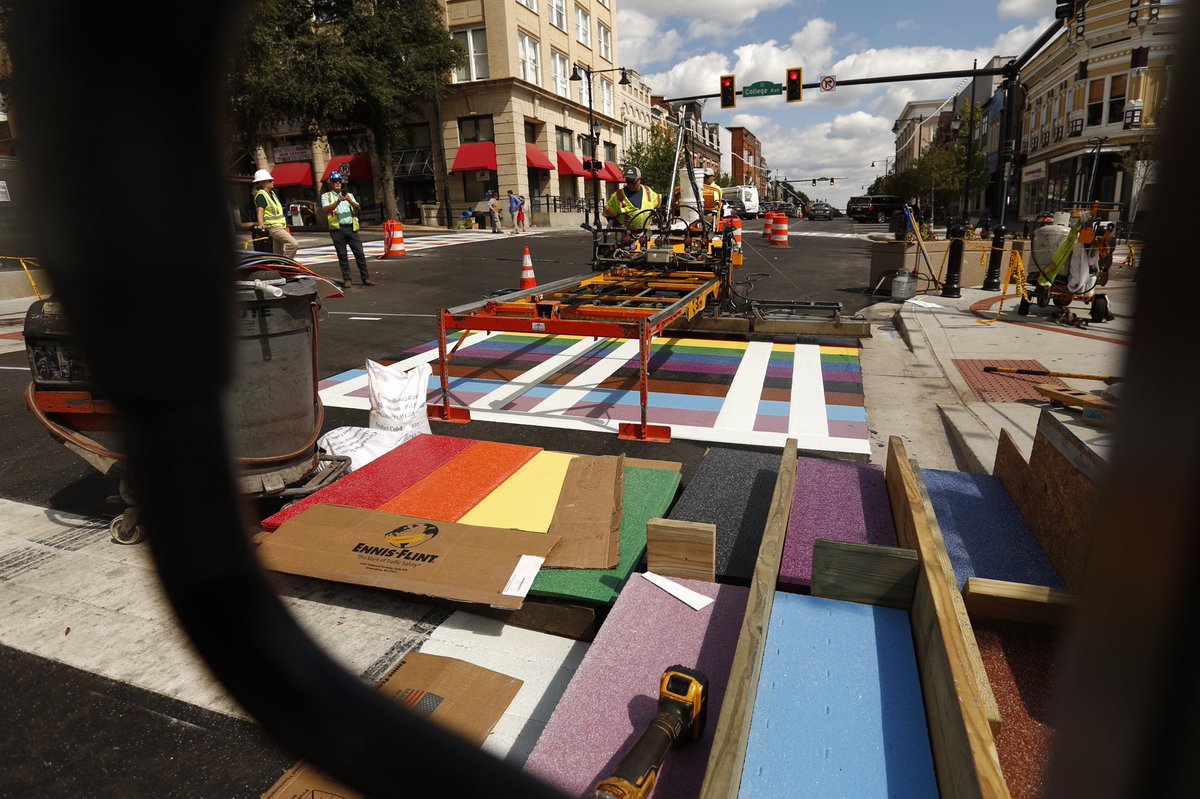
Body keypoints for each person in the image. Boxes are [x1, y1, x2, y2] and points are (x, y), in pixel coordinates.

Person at [320, 172, 374, 288]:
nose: (338, 183)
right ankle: (347, 279)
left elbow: (359, 208)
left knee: (359, 253)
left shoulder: (349, 195)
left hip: (351, 228)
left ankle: (365, 278)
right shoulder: (326, 196)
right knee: (342, 255)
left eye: (339, 180)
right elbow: (326, 209)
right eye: (335, 181)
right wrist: (338, 201)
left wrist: (350, 200)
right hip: (337, 229)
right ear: (330, 183)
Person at [252, 168, 298, 258]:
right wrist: (261, 224)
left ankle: (279, 267)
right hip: (273, 227)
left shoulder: (272, 193)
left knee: (278, 252)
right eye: (270, 180)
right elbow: (260, 211)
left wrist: (285, 226)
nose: (272, 181)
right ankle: (286, 264)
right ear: (263, 183)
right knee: (293, 244)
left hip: (279, 226)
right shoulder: (261, 195)